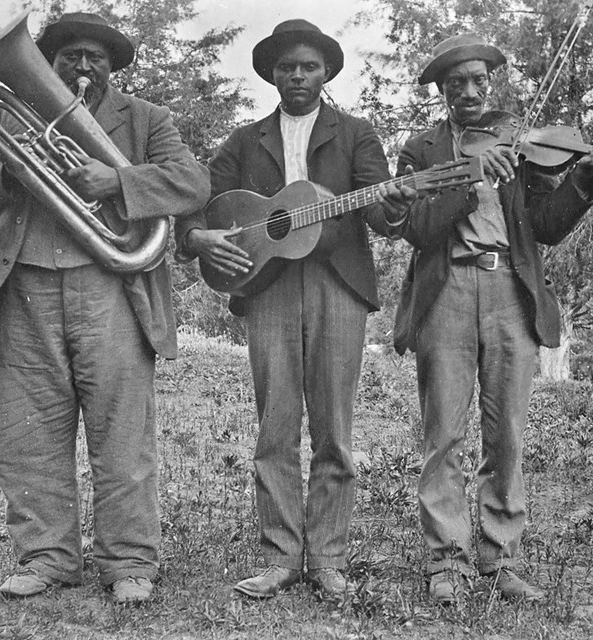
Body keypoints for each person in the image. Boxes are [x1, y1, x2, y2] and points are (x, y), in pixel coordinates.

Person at [0, 12, 209, 603]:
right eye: (70, 55)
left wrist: (116, 183)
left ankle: (129, 563)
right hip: (26, 289)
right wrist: (14, 169)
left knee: (122, 432)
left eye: (96, 56)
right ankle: (46, 557)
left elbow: (192, 184)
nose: (83, 66)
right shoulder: (13, 111)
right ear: (50, 62)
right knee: (29, 433)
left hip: (111, 290)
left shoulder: (147, 119)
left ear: (112, 65)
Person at [175, 19, 414, 598]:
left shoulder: (357, 134)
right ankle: (281, 556)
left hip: (339, 284)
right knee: (275, 425)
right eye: (288, 67)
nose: (298, 75)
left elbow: (381, 214)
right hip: (269, 286)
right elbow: (204, 206)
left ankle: (328, 558)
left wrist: (399, 202)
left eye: (309, 66)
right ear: (272, 75)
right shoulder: (242, 141)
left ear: (326, 71)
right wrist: (196, 238)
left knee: (334, 427)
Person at [391, 33, 593, 603]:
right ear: (443, 91)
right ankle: (446, 563)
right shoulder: (421, 150)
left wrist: (582, 182)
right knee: (444, 434)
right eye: (457, 84)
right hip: (447, 287)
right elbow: (418, 230)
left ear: (492, 84)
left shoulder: (517, 144)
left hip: (510, 287)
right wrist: (469, 173)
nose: (471, 92)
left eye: (480, 81)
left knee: (506, 434)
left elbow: (548, 226)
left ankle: (499, 560)